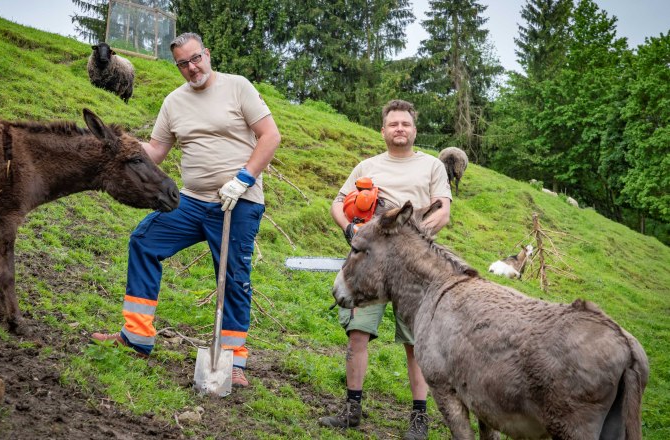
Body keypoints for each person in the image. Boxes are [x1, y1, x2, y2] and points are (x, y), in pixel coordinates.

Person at [91, 32, 281, 388]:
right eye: (183, 63)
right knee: (145, 241)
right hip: (191, 201)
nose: (192, 68)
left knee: (232, 276)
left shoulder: (238, 87)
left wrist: (243, 178)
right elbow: (157, 151)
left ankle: (234, 361)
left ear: (207, 54)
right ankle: (137, 337)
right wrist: (117, 149)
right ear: (176, 65)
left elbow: (270, 135)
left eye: (196, 59)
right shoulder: (173, 102)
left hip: (238, 203)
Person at [319, 99, 451, 439]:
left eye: (405, 124)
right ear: (383, 130)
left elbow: (443, 212)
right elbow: (337, 203)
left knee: (415, 343)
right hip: (370, 264)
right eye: (393, 124)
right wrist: (351, 230)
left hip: (414, 268)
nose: (400, 129)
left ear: (414, 129)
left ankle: (419, 418)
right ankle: (352, 409)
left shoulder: (432, 166)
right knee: (357, 333)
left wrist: (416, 238)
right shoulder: (367, 166)